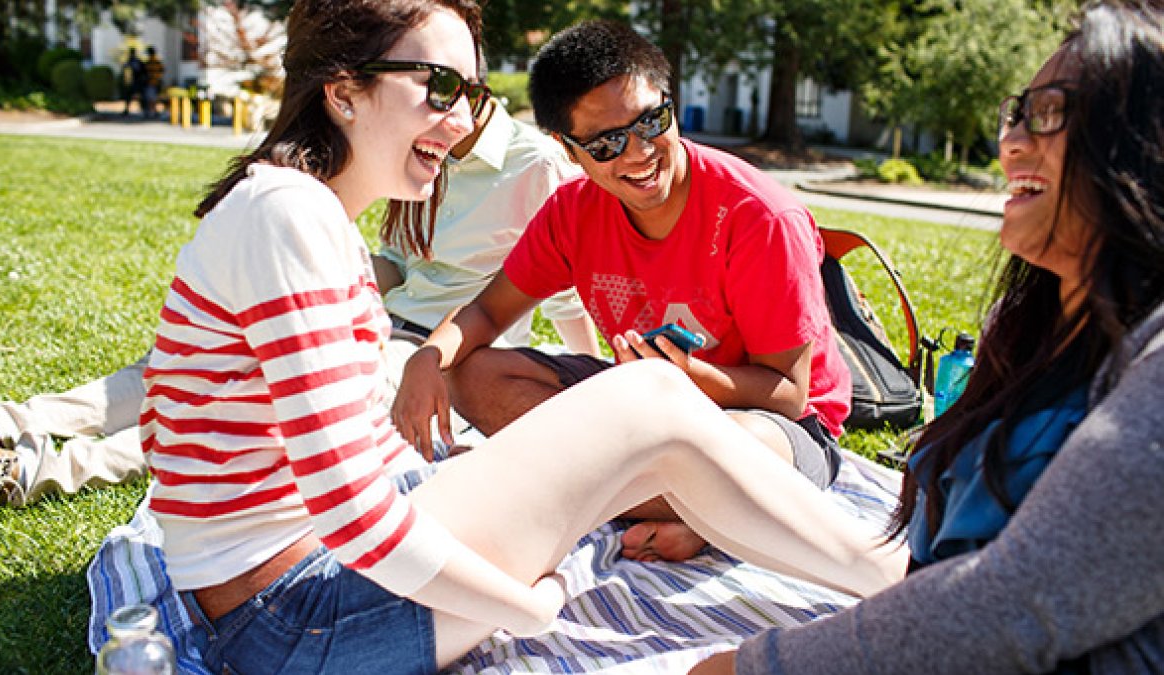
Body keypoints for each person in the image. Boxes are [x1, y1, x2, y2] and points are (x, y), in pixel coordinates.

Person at [138, 0, 905, 672]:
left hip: (295, 594)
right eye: (438, 88)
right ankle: (907, 584)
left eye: (471, 93)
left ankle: (893, 579)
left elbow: (794, 392)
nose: (463, 120)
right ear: (343, 91)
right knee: (644, 397)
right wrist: (531, 606)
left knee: (653, 399)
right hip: (297, 620)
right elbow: (347, 509)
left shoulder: (301, 213)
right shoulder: (289, 216)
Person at [691, 1, 1164, 672]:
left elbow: (1008, 605)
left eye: (1052, 111)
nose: (1012, 143)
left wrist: (755, 664)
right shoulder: (1028, 322)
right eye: (1016, 112)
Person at [0, 68, 596, 510]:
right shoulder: (418, 156)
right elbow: (400, 263)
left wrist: (585, 371)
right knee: (196, 363)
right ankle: (5, 423)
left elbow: (562, 286)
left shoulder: (535, 166)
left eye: (451, 91)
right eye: (430, 89)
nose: (438, 109)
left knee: (250, 411)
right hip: (380, 319)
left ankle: (27, 472)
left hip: (434, 356)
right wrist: (313, 290)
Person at [391, 19, 851, 562]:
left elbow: (789, 394)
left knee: (742, 454)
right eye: (607, 143)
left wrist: (684, 379)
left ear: (669, 102)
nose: (639, 154)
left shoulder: (759, 217)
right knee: (471, 373)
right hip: (638, 405)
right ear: (568, 149)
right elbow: (488, 313)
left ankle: (651, 501)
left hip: (772, 425)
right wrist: (425, 358)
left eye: (652, 121)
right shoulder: (573, 211)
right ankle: (691, 511)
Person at [120, 47, 146, 116]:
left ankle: (143, 109)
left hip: (136, 81)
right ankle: (128, 109)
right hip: (134, 81)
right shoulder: (134, 61)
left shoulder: (134, 61)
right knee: (131, 96)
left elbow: (141, 70)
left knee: (138, 96)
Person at [143, 46, 165, 119]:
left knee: (150, 99)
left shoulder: (150, 62)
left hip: (151, 83)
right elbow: (162, 70)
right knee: (153, 99)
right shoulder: (158, 61)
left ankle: (151, 112)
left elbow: (146, 72)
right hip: (157, 82)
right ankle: (154, 111)